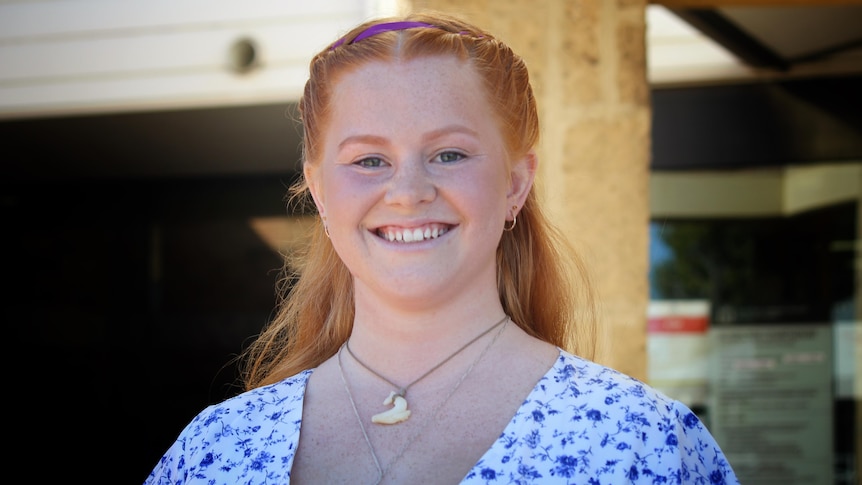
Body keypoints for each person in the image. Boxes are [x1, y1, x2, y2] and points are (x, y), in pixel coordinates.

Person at [145, 11, 739, 485]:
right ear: (321, 192)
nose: (407, 193)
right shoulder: (215, 449)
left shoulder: (640, 441)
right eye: (369, 160)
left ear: (515, 183)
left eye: (449, 154)